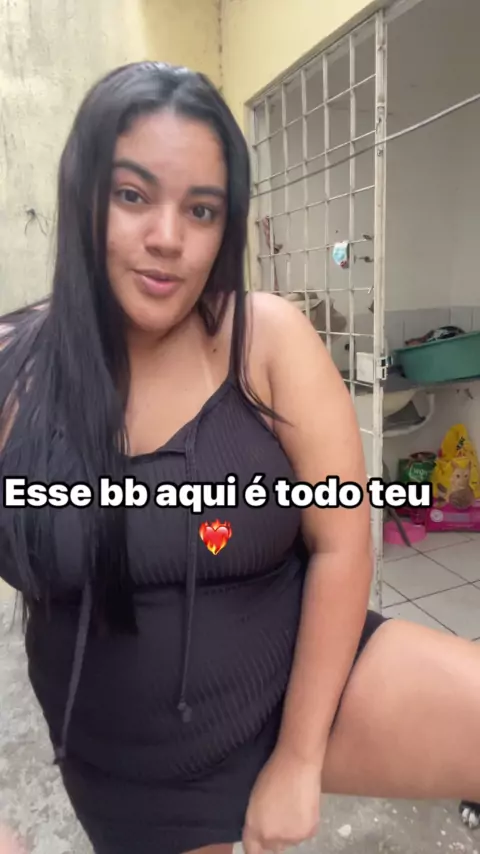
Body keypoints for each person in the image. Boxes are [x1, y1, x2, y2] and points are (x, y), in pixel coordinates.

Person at [0, 61, 479, 854]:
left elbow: (340, 541)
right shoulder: (14, 369)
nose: (167, 237)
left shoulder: (267, 338)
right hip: (142, 769)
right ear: (83, 194)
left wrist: (299, 756)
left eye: (201, 209)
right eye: (132, 195)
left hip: (304, 683)